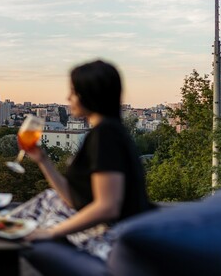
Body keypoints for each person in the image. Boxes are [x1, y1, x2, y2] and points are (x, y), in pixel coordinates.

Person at [10, 59, 155, 260]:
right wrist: (43, 160)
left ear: (90, 95)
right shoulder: (107, 131)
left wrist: (52, 232)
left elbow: (108, 207)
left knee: (44, 208)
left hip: (113, 237)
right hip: (116, 230)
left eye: (74, 91)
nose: (68, 97)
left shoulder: (106, 135)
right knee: (51, 198)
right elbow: (73, 199)